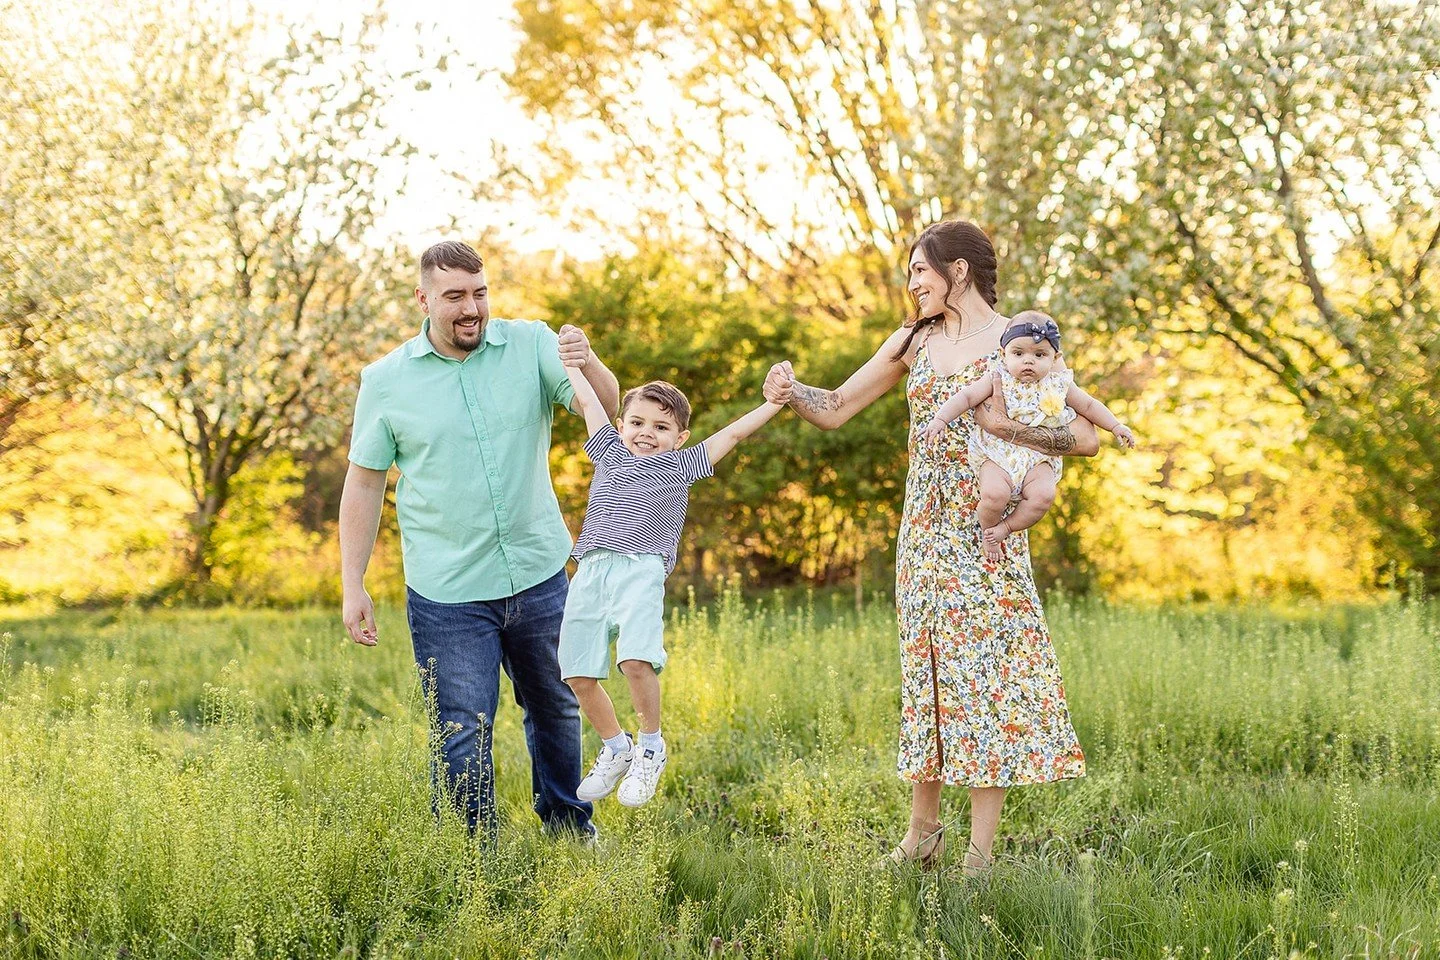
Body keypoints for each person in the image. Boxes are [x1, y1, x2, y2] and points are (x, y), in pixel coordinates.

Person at [763, 220, 1096, 875]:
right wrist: (789, 392)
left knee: (984, 685)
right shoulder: (912, 340)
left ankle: (978, 858)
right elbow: (833, 407)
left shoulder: (1019, 340)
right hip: (922, 530)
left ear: (958, 271)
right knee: (930, 679)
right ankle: (922, 838)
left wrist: (1008, 429)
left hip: (985, 527)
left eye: (920, 270)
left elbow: (1084, 437)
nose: (911, 283)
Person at [338, 240, 621, 841]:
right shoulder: (386, 382)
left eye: (479, 293)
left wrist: (588, 361)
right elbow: (363, 484)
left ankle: (569, 829)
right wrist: (352, 583)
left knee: (556, 708)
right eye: (454, 297)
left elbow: (606, 406)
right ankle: (473, 858)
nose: (471, 308)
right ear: (423, 300)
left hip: (540, 574)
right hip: (449, 592)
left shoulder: (533, 345)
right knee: (462, 727)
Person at [559, 365, 784, 808]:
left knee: (635, 662)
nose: (647, 433)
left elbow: (733, 436)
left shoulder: (680, 465)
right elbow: (587, 401)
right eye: (638, 423)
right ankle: (616, 747)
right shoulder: (607, 450)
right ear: (621, 425)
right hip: (590, 570)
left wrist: (774, 403)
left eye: (661, 426)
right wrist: (571, 363)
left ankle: (649, 746)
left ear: (679, 437)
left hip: (641, 569)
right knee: (577, 673)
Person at [919, 309, 1136, 559]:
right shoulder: (997, 377)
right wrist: (940, 419)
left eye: (1039, 354)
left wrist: (1116, 426)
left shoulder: (1059, 384)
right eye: (1018, 353)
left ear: (1056, 358)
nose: (1028, 361)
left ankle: (1006, 527)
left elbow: (1089, 405)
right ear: (1004, 354)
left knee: (1044, 496)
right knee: (993, 494)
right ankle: (988, 533)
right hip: (997, 453)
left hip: (1037, 458)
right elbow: (966, 397)